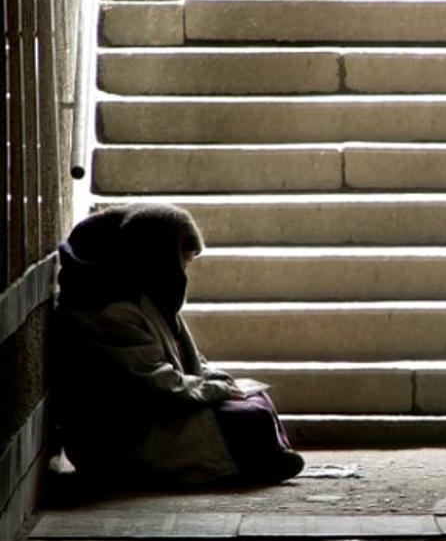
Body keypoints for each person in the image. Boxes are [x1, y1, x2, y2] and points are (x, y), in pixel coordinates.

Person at [51, 203, 304, 487]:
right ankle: (256, 463)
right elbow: (155, 385)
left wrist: (216, 378)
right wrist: (215, 389)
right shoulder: (110, 313)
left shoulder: (146, 296)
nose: (185, 271)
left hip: (162, 412)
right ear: (160, 259)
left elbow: (188, 358)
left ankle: (265, 457)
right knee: (248, 417)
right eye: (183, 261)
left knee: (257, 401)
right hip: (127, 433)